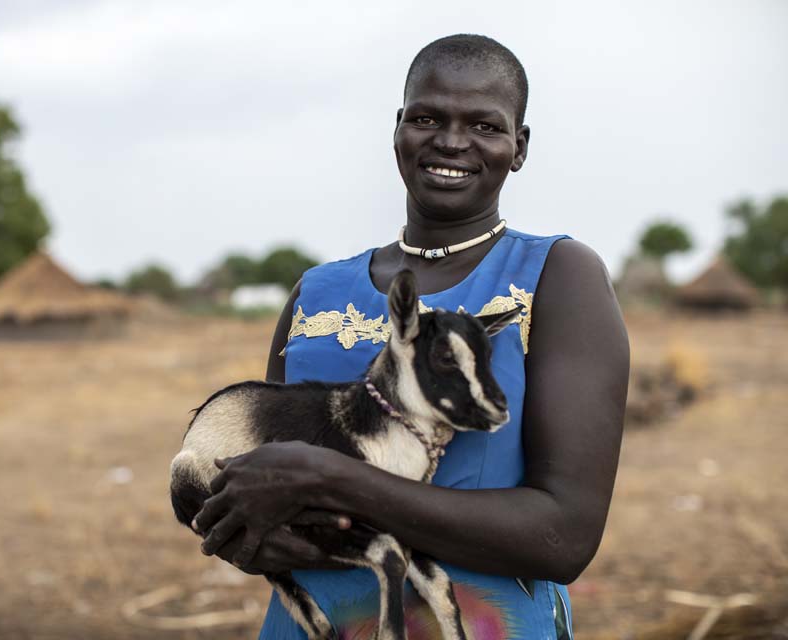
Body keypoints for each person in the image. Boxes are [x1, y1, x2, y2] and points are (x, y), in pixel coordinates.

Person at [191, 34, 629, 639]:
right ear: (398, 128)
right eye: (427, 118)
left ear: (519, 147)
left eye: (484, 124)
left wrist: (328, 477)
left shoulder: (558, 277)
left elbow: (564, 537)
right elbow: (260, 491)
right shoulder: (315, 293)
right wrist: (246, 535)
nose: (451, 141)